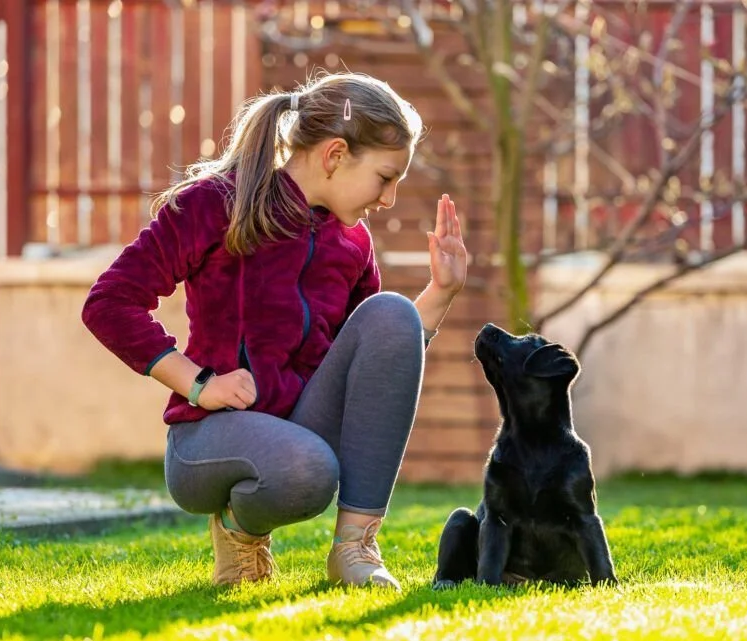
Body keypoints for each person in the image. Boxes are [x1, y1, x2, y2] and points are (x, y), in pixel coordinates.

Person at [81, 72, 467, 590]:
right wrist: (197, 382)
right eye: (385, 177)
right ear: (334, 155)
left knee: (392, 312)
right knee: (307, 469)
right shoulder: (215, 203)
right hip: (209, 437)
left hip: (303, 425)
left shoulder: (351, 240)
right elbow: (109, 302)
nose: (390, 199)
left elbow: (377, 361)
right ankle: (238, 530)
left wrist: (440, 292)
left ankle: (355, 548)